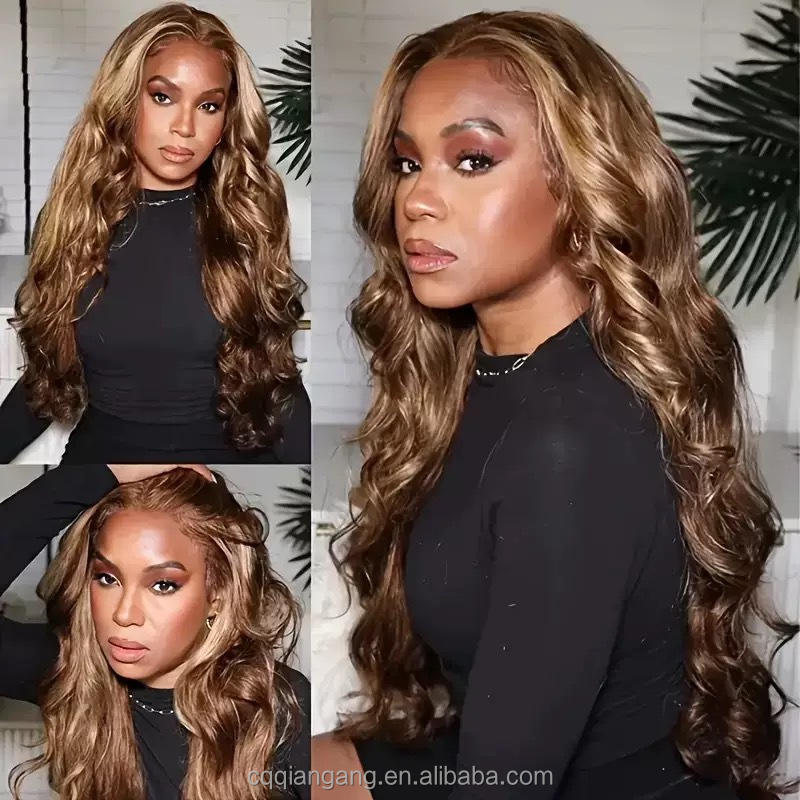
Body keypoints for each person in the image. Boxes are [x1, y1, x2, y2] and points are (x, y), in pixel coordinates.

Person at [311, 11, 798, 800]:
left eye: (472, 160)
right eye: (407, 163)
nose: (418, 200)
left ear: (580, 183)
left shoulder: (568, 437)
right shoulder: (493, 378)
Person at [0, 2, 309, 464]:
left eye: (208, 105)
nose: (185, 127)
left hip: (230, 469)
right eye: (163, 97)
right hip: (102, 469)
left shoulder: (249, 221)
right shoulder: (69, 223)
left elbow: (277, 382)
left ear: (226, 122)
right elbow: (45, 381)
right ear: (125, 99)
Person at [0, 463, 310, 799]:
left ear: (218, 597)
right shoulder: (73, 674)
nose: (124, 614)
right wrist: (97, 473)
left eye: (163, 585)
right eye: (107, 578)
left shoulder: (275, 704)